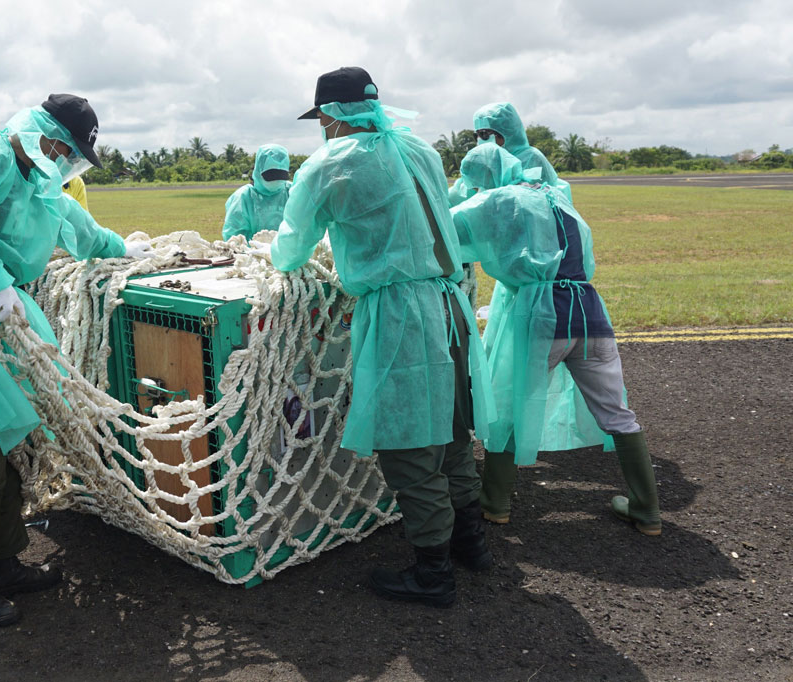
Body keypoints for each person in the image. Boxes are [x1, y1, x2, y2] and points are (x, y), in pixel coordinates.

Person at [0, 93, 152, 627]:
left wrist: (120, 249)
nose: (64, 160)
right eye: (63, 148)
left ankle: (2, 564)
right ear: (44, 135)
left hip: (3, 321)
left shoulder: (38, 179)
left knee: (13, 446)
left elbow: (77, 226)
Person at [269, 67, 496, 608]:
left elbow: (291, 248)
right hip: (448, 304)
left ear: (329, 116)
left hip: (400, 316)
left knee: (411, 444)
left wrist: (276, 257)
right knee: (454, 432)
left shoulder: (329, 165)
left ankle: (433, 573)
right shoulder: (422, 151)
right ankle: (473, 545)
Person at [449, 143, 661, 537]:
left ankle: (495, 503)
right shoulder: (555, 197)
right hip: (589, 310)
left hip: (540, 314)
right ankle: (647, 509)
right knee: (617, 413)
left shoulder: (498, 199)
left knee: (511, 405)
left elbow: (442, 232)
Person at [448, 101, 571, 208]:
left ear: (505, 132)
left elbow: (539, 205)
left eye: (484, 134)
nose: (479, 139)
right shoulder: (485, 161)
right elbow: (463, 191)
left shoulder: (532, 159)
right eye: (477, 135)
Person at [221, 143, 291, 240]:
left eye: (281, 175)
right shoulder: (243, 197)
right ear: (258, 171)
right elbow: (235, 237)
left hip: (287, 253)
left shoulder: (291, 191)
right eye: (271, 175)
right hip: (251, 253)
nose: (276, 180)